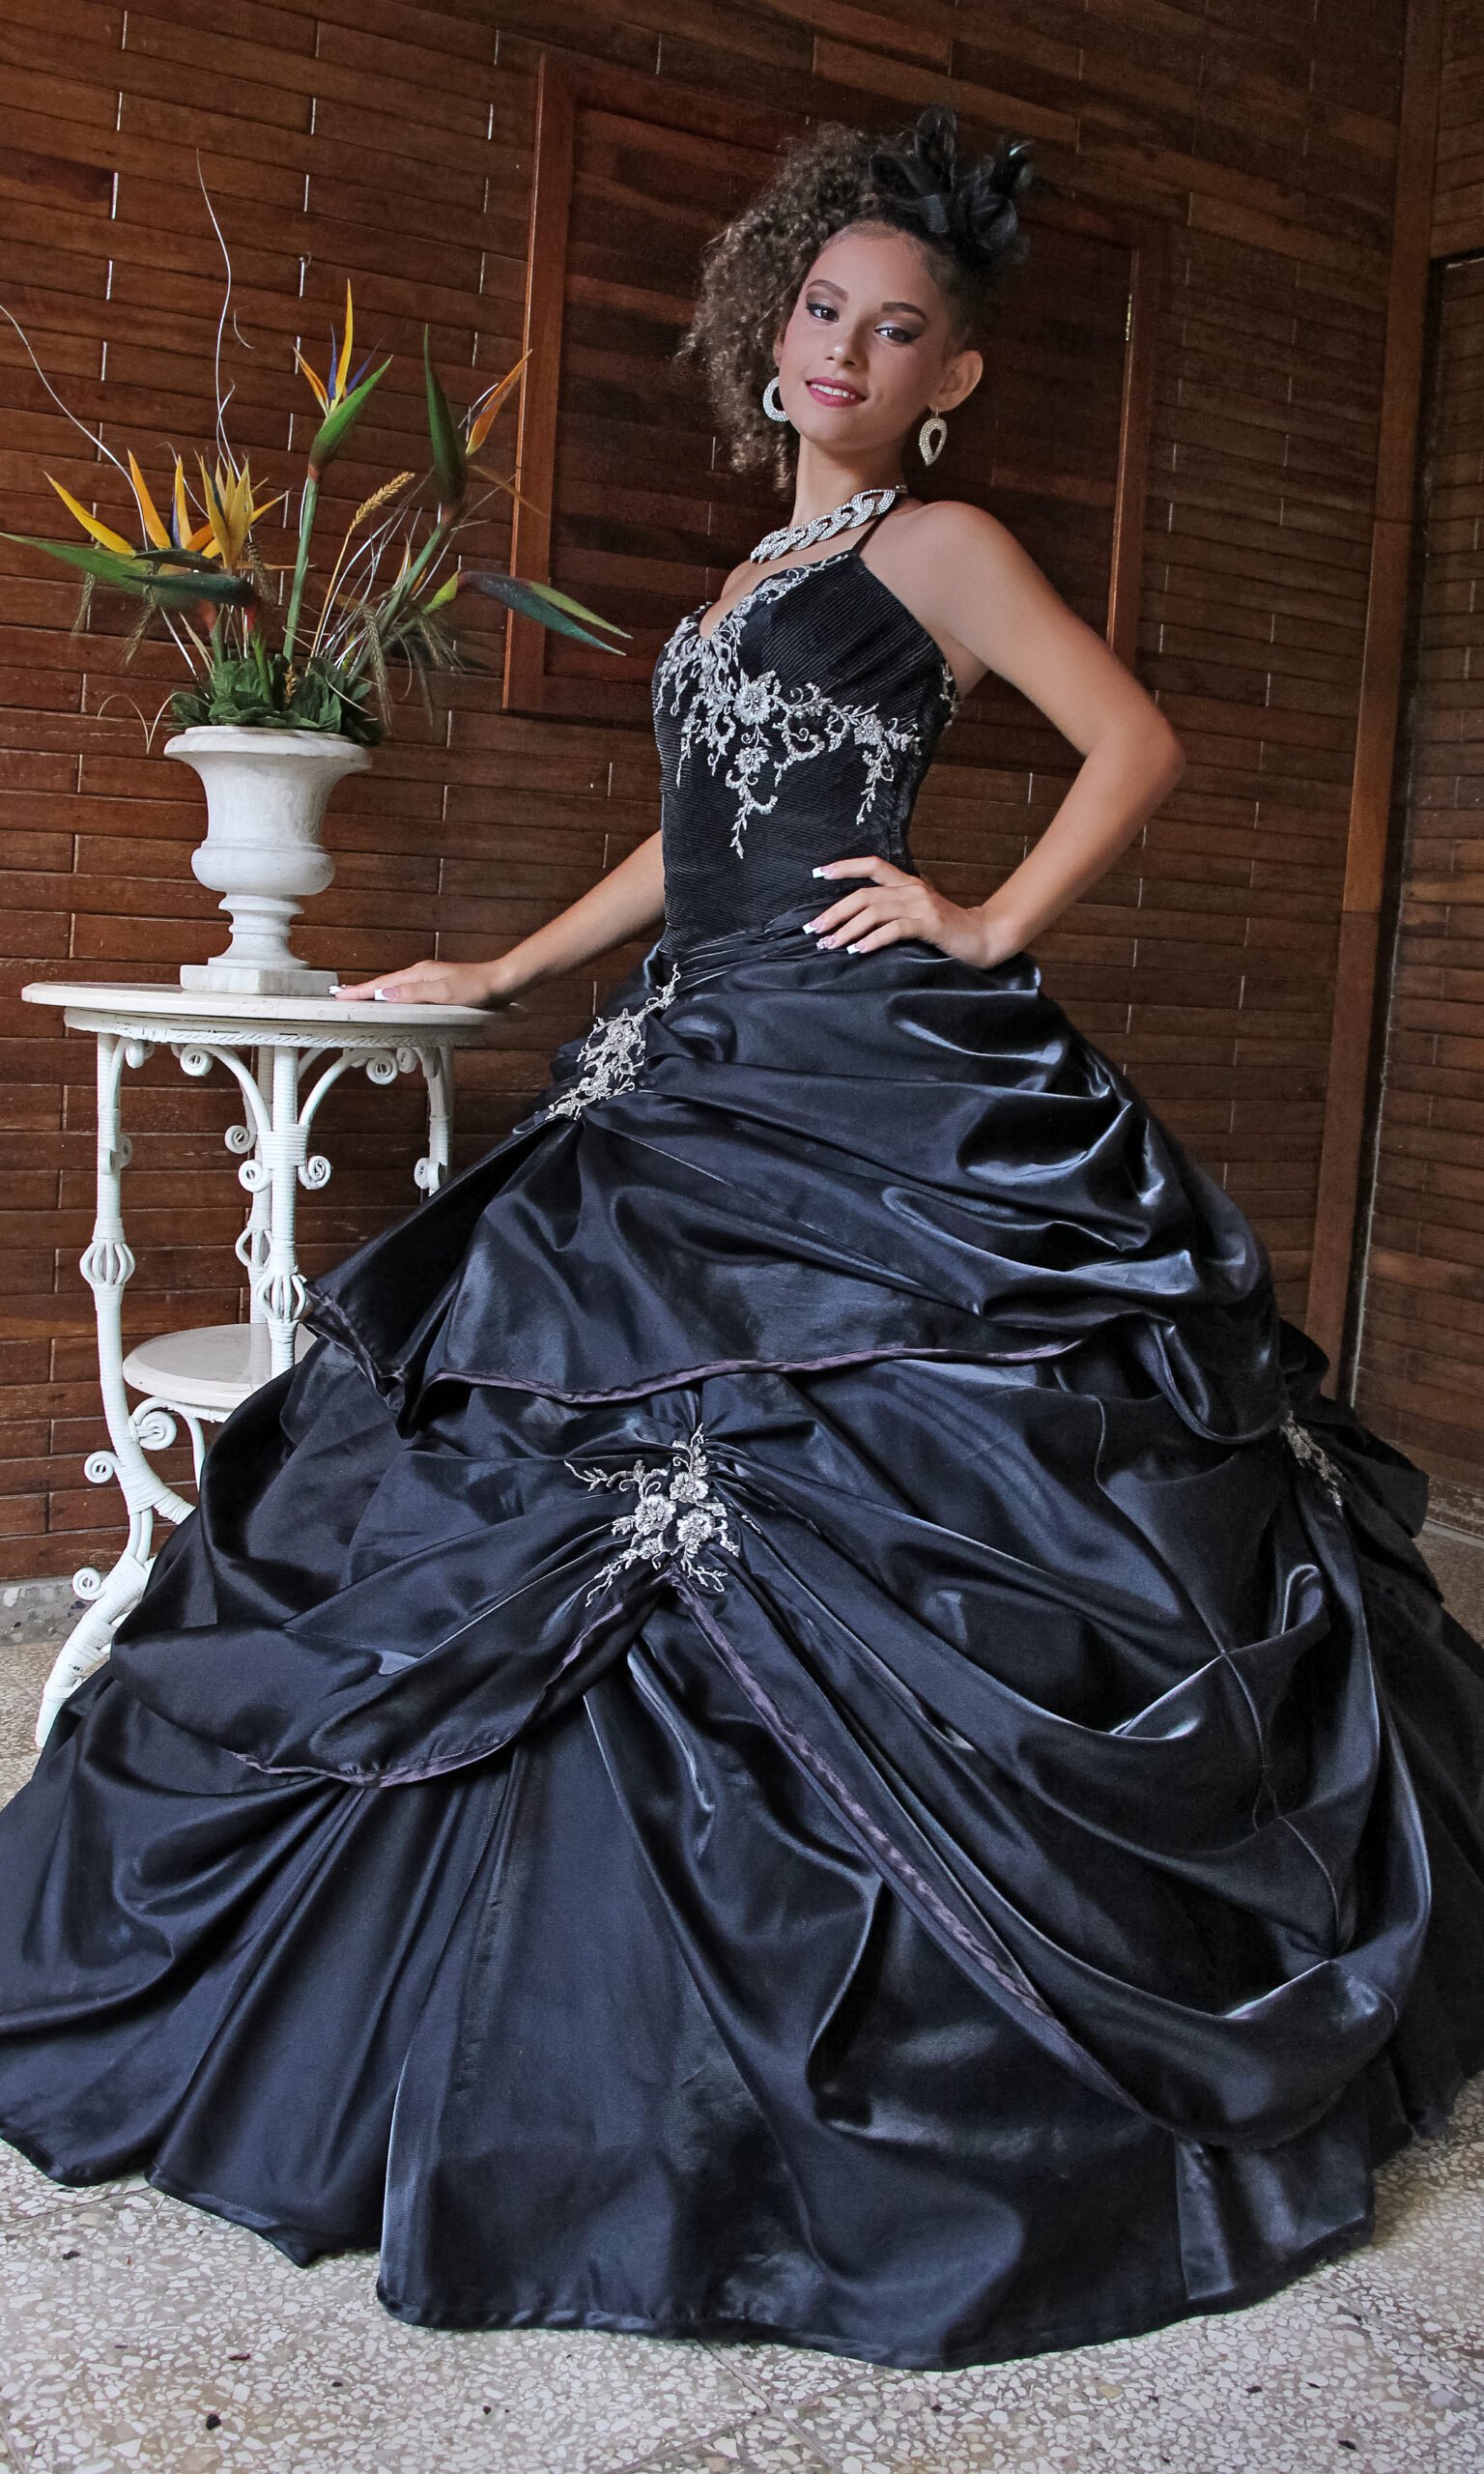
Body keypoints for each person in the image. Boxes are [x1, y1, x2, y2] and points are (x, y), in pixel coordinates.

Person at [0, 105, 1480, 2376]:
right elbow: (691, 839)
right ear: (776, 320)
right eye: (822, 310)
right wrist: (505, 963)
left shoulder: (943, 543)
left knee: (868, 1464)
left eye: (897, 332)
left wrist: (982, 915)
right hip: (689, 1055)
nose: (844, 353)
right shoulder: (754, 576)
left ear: (950, 376)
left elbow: (1134, 740)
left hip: (869, 1079)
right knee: (513, 1422)